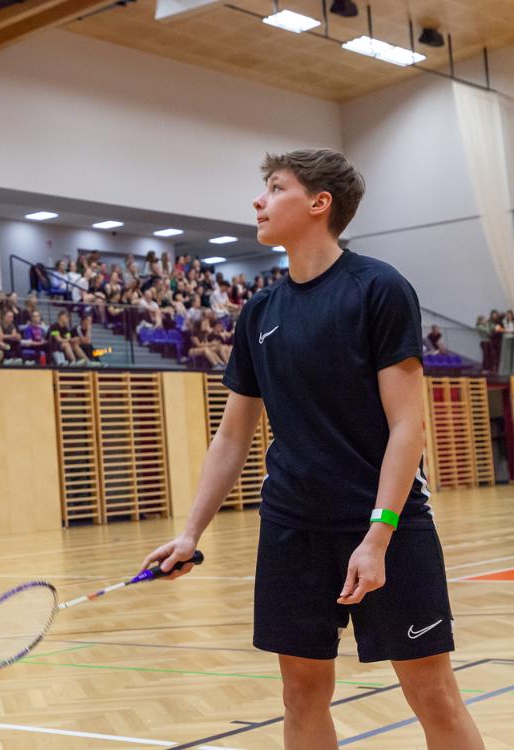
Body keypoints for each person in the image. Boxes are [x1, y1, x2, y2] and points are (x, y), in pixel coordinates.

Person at [142, 149, 484, 750]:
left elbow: (408, 426)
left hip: (386, 525)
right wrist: (191, 532)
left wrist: (378, 535)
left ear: (320, 202)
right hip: (292, 528)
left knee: (431, 693)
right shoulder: (259, 312)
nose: (259, 200)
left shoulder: (377, 288)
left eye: (276, 188)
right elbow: (232, 434)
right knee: (300, 694)